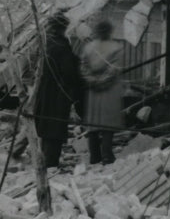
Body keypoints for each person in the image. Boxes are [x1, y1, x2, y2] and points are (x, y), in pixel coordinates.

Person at [32, 10, 83, 169]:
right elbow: (69, 73)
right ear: (62, 28)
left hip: (44, 91)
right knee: (55, 127)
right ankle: (51, 163)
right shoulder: (62, 46)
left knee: (45, 127)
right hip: (58, 94)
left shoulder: (46, 43)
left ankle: (44, 161)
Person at [78, 17, 124, 165]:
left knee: (93, 124)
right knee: (107, 124)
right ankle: (107, 155)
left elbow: (83, 68)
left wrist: (93, 80)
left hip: (93, 90)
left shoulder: (88, 47)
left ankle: (94, 156)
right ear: (110, 31)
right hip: (109, 90)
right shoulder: (116, 47)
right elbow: (114, 70)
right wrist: (103, 81)